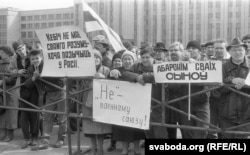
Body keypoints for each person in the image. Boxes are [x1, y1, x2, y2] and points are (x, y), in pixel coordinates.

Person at [24, 49, 66, 150]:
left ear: (41, 58)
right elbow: (27, 84)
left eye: (37, 58)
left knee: (62, 118)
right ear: (30, 59)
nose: (35, 60)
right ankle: (45, 140)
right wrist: (34, 77)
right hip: (48, 94)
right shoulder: (31, 69)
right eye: (33, 59)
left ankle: (61, 139)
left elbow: (60, 78)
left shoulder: (49, 65)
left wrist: (42, 75)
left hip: (60, 92)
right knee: (47, 117)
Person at [109, 50, 144, 155]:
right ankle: (124, 149)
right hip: (122, 106)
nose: (127, 61)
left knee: (136, 128)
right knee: (123, 128)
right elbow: (107, 80)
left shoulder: (139, 70)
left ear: (133, 60)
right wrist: (111, 73)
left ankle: (137, 149)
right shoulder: (117, 70)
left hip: (136, 105)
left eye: (129, 59)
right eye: (125, 59)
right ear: (122, 60)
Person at [177, 40, 210, 139]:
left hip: (202, 101)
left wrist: (196, 65)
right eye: (189, 48)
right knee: (187, 131)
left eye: (194, 48)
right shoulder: (181, 62)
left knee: (202, 129)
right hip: (186, 100)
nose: (191, 50)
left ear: (199, 51)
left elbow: (211, 76)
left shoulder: (206, 62)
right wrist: (182, 64)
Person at [82, 49, 111, 155]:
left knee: (101, 126)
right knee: (89, 125)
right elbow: (81, 84)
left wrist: (103, 78)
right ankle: (93, 147)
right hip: (87, 101)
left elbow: (112, 84)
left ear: (101, 59)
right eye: (93, 57)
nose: (95, 59)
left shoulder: (106, 69)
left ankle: (100, 148)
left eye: (97, 57)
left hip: (102, 101)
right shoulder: (84, 70)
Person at [220, 37, 250, 139]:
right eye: (234, 50)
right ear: (229, 52)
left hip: (247, 112)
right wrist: (231, 80)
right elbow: (217, 88)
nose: (238, 52)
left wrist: (244, 84)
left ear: (245, 50)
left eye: (240, 49)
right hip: (227, 112)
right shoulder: (222, 67)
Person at [7, 40, 29, 142]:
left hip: (34, 85)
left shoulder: (33, 54)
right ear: (16, 51)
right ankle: (10, 132)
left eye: (22, 48)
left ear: (25, 46)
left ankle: (37, 133)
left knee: (37, 109)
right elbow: (9, 70)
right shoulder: (14, 59)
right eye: (18, 50)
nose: (21, 51)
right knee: (13, 107)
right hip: (19, 85)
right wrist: (17, 71)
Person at [207, 39, 228, 139]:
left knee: (225, 129)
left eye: (221, 48)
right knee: (211, 129)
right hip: (212, 99)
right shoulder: (208, 61)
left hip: (228, 99)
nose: (218, 50)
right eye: (216, 48)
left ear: (225, 49)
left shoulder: (231, 60)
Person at [0, 46, 17, 142]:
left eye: (2, 52)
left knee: (11, 112)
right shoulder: (1, 63)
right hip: (2, 90)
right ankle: (3, 132)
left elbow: (14, 77)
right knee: (2, 112)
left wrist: (3, 81)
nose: (0, 54)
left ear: (7, 53)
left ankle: (10, 133)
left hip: (11, 90)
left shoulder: (13, 62)